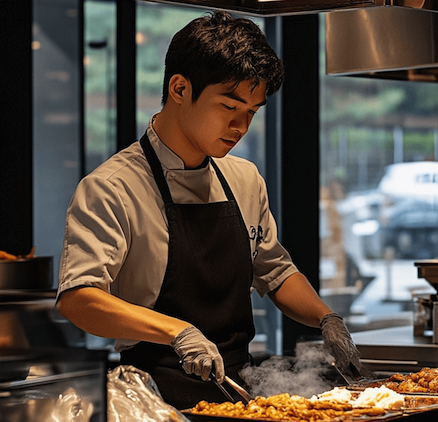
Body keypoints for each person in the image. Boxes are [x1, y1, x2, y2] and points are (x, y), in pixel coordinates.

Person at [56, 10, 361, 409]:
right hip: (152, 401)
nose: (241, 127)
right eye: (229, 106)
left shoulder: (245, 179)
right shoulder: (112, 188)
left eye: (251, 112)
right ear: (180, 88)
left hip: (240, 394)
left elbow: (276, 271)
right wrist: (178, 331)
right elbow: (79, 298)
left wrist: (327, 319)